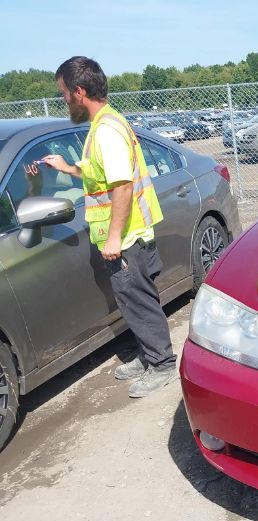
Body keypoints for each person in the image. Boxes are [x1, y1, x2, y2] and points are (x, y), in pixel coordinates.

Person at [43, 56, 177, 398]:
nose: (64, 101)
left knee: (139, 300)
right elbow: (98, 173)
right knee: (131, 299)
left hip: (127, 236)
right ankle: (148, 354)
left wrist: (115, 236)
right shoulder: (105, 123)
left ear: (79, 91)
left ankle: (161, 364)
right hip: (126, 234)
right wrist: (67, 167)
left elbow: (121, 186)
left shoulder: (106, 130)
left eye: (64, 94)